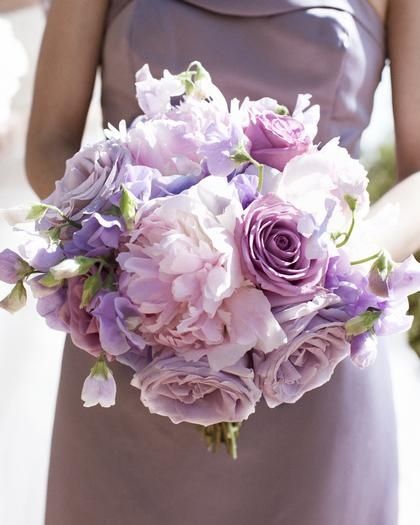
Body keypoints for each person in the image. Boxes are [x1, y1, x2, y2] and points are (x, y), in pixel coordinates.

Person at [25, 1, 420, 524]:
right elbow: (49, 143)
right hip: (135, 336)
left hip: (312, 355)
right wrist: (145, 239)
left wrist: (321, 264)